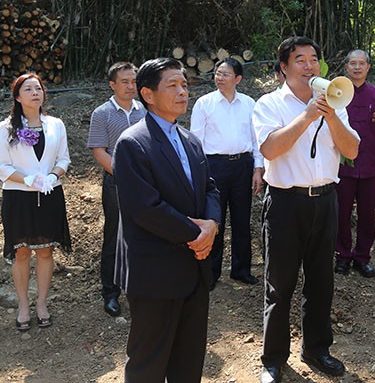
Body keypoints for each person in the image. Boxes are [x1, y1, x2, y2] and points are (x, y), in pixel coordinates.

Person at [252, 36, 359, 383]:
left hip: (326, 200)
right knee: (279, 284)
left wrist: (330, 118)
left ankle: (317, 349)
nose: (310, 65)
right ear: (284, 67)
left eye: (314, 59)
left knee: (321, 281)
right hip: (285, 202)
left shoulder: (334, 101)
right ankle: (273, 358)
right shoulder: (268, 104)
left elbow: (352, 150)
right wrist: (306, 116)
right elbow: (270, 149)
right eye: (300, 59)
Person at [112, 58, 221, 383]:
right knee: (149, 362)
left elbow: (210, 189)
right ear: (147, 94)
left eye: (184, 84)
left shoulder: (190, 140)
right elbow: (145, 208)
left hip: (194, 270)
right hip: (155, 273)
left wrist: (212, 225)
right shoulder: (133, 143)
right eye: (172, 85)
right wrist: (196, 234)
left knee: (189, 361)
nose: (182, 92)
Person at [0, 73, 71, 331]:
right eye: (28, 89)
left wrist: (51, 176)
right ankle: (23, 305)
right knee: (22, 251)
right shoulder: (6, 128)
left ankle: (42, 303)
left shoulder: (56, 124)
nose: (35, 93)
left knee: (46, 250)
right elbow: (1, 166)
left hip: (49, 194)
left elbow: (63, 159)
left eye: (38, 88)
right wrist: (27, 179)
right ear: (17, 96)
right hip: (18, 196)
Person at [191, 58, 264, 287]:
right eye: (217, 73)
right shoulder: (204, 103)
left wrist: (257, 169)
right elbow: (196, 142)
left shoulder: (249, 104)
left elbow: (256, 139)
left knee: (242, 221)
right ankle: (210, 273)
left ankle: (241, 270)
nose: (219, 77)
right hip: (214, 167)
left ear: (238, 79)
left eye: (225, 74)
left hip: (243, 165)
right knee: (215, 220)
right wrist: (200, 175)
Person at [87, 62, 146, 317]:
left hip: (145, 184)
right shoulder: (102, 113)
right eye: (125, 82)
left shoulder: (145, 110)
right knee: (114, 236)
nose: (131, 86)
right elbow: (99, 151)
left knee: (143, 235)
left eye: (134, 81)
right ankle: (110, 292)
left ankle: (140, 288)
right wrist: (124, 174)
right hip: (116, 183)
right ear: (113, 85)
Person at [334, 49, 375, 278]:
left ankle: (362, 256)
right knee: (342, 212)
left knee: (368, 214)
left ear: (368, 67)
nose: (357, 67)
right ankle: (342, 256)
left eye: (361, 64)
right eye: (353, 63)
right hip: (342, 165)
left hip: (370, 164)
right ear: (346, 67)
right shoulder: (337, 92)